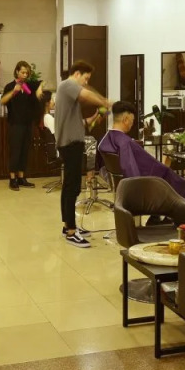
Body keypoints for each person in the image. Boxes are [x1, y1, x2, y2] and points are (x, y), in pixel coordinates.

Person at [97, 101, 185, 204]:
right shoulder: (125, 142)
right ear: (125, 119)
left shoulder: (106, 138)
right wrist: (137, 190)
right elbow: (131, 170)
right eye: (132, 120)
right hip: (151, 181)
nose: (132, 124)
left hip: (125, 184)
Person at [55, 60, 112, 248]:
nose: (86, 83)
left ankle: (68, 226)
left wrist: (95, 117)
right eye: (85, 78)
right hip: (70, 144)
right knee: (72, 188)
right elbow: (86, 94)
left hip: (73, 143)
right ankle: (71, 232)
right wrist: (105, 101)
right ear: (77, 74)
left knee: (70, 187)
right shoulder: (67, 85)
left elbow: (80, 123)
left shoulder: (68, 94)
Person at [0, 61, 46, 190]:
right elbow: (2, 101)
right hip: (15, 123)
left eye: (27, 73)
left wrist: (39, 90)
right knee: (15, 151)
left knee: (25, 151)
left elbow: (42, 82)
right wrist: (13, 92)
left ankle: (21, 177)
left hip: (27, 123)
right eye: (23, 72)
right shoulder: (10, 86)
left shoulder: (28, 86)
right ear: (17, 72)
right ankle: (12, 179)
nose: (25, 75)